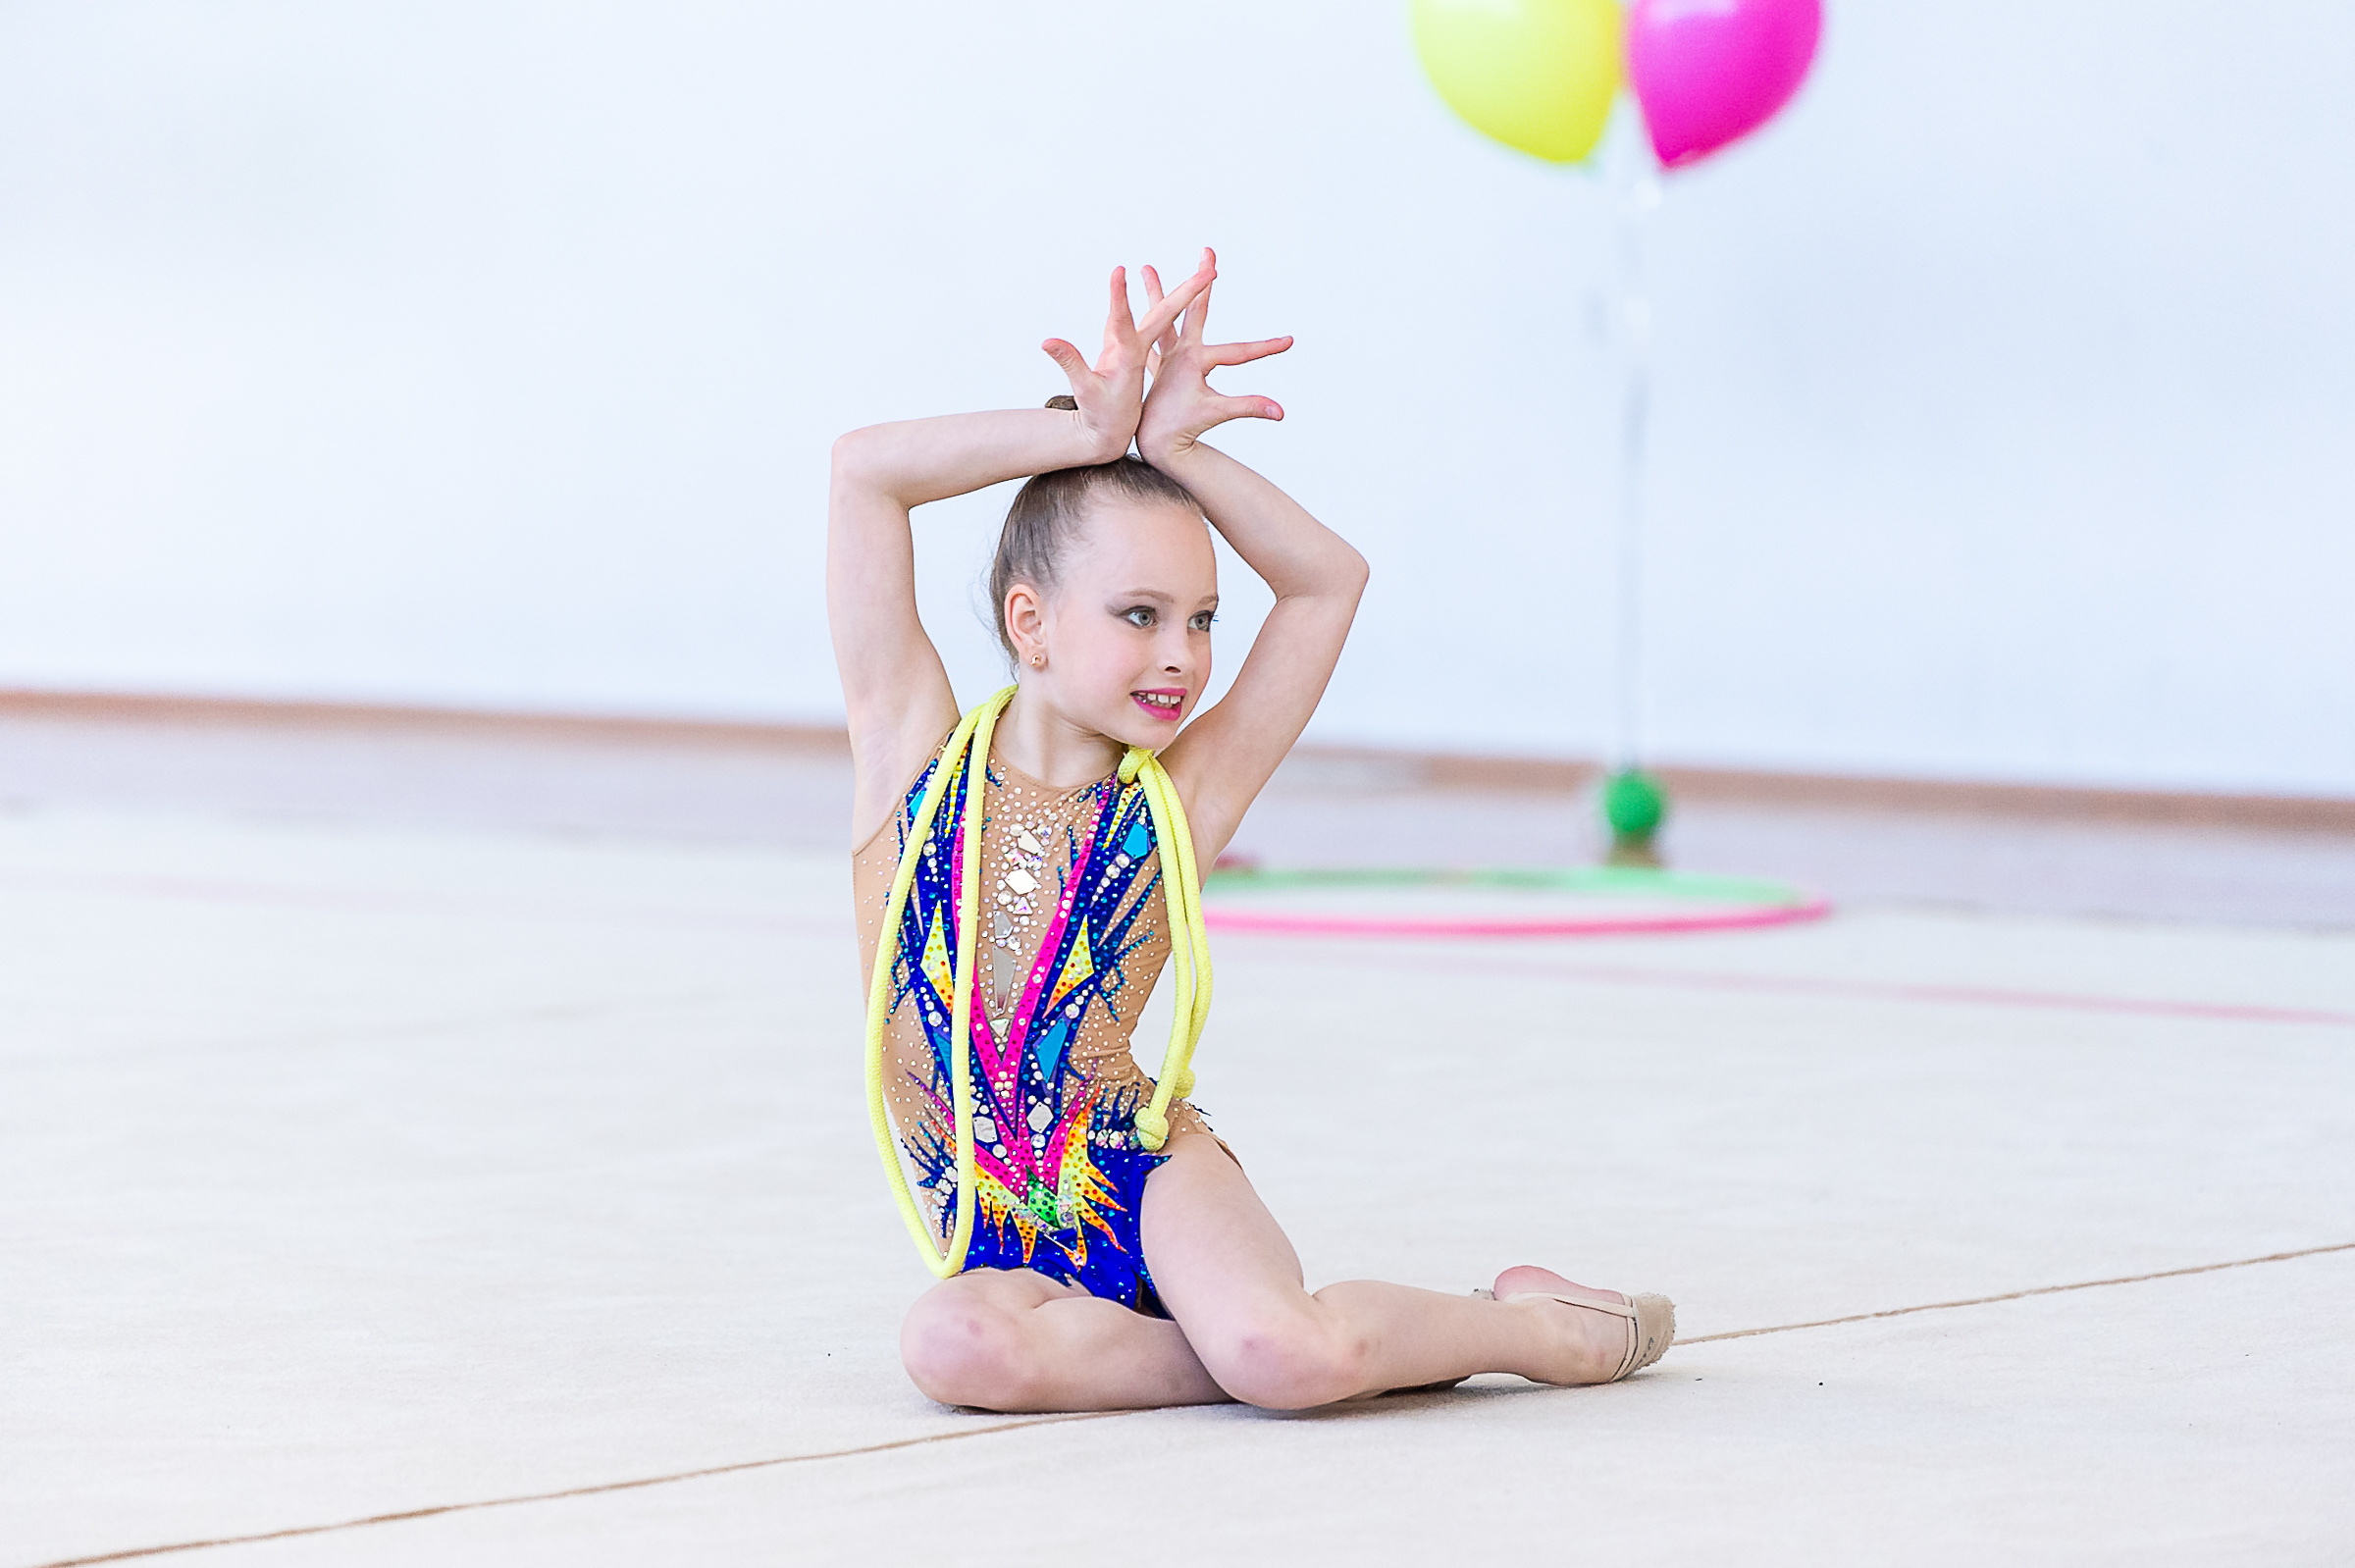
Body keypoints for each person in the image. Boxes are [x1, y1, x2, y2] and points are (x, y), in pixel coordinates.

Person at [827, 249, 1672, 1412]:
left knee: (1290, 1360)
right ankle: (1229, 1342)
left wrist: (1180, 452)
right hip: (996, 1236)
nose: (1181, 652)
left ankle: (1529, 1323)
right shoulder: (910, 757)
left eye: (1203, 619)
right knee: (952, 1348)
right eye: (1140, 615)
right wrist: (1087, 434)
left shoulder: (1179, 795)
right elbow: (864, 473)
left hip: (1142, 1174)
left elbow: (1328, 581)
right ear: (1029, 621)